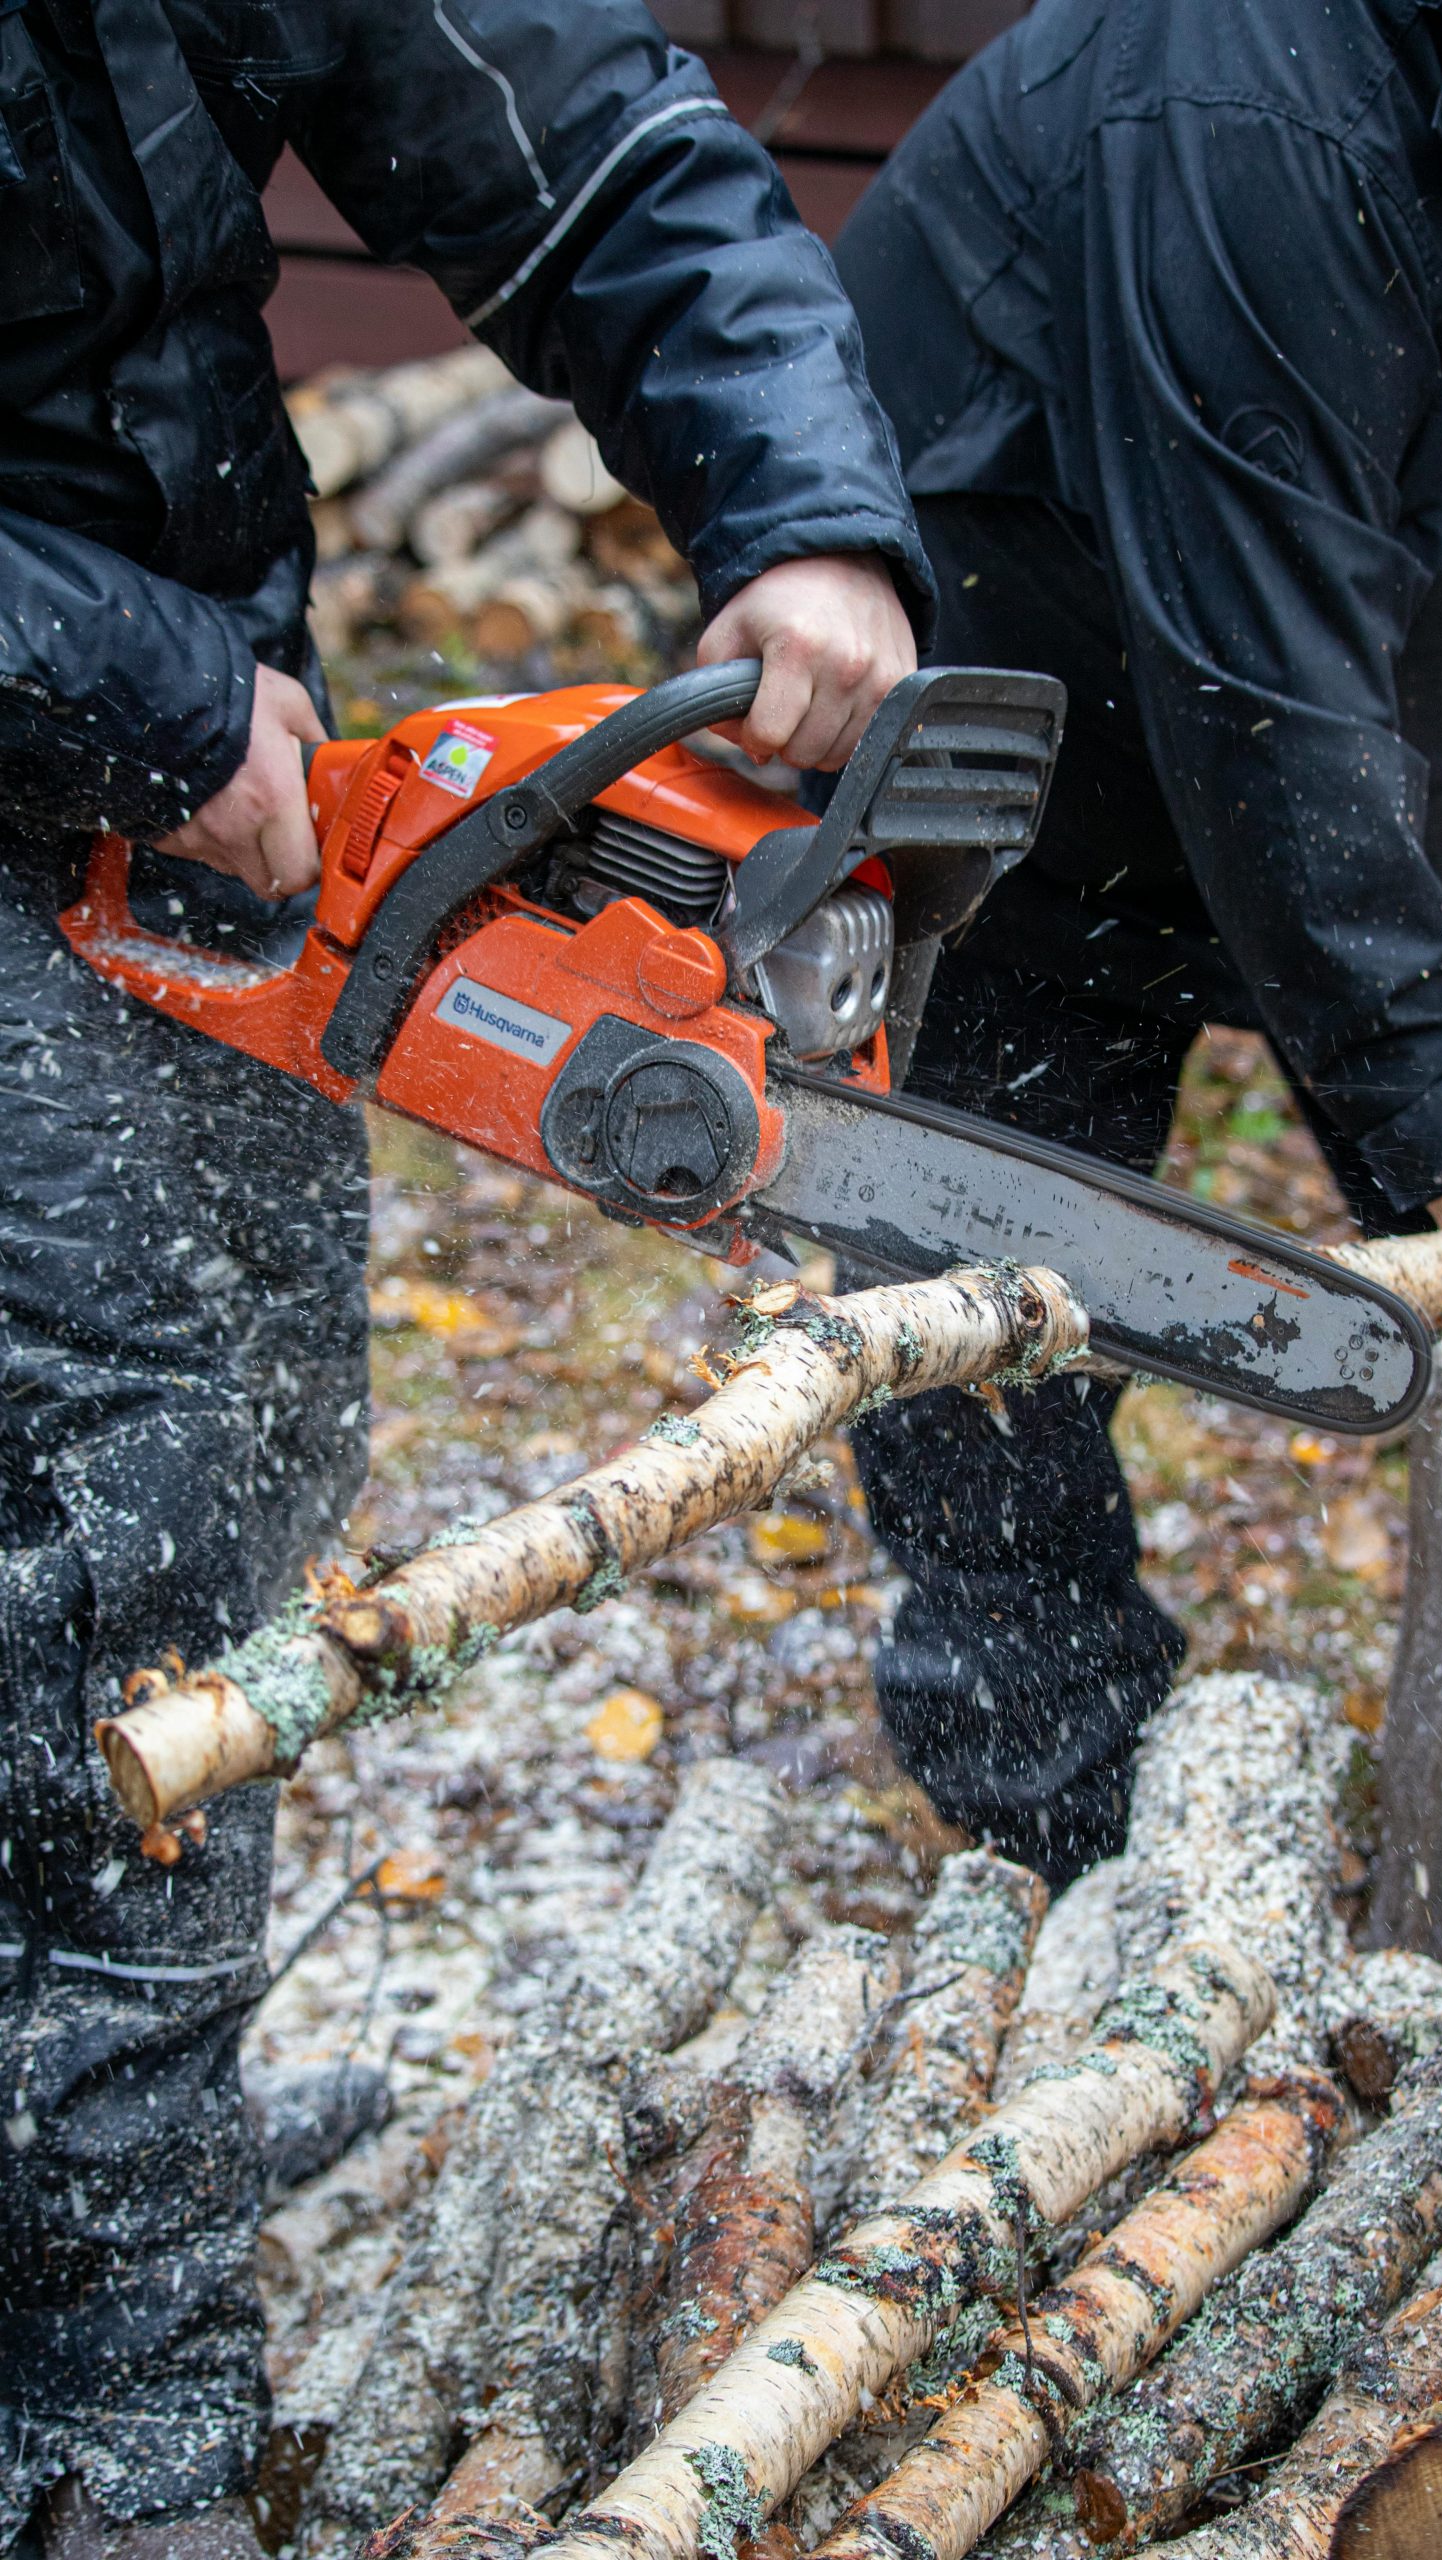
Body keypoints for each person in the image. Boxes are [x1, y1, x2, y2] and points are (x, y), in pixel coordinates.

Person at [0, 4, 928, 2550]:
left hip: (177, 750)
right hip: (115, 694)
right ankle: (107, 2396)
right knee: (129, 1507)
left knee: (242, 1461)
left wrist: (808, 520)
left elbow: (574, 132)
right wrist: (121, 678)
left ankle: (100, 2120)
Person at [831, 0, 1442, 1890]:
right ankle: (1076, 1883)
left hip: (1437, 744)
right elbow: (1262, 686)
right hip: (1022, 750)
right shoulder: (1268, 103)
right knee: (992, 1324)